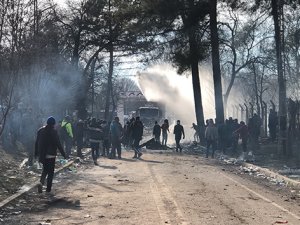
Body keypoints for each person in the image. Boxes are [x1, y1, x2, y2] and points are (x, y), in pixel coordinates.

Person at [35, 116, 66, 193]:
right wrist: (64, 154)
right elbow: (58, 143)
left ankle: (41, 183)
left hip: (42, 154)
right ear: (53, 124)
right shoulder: (54, 131)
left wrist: (36, 153)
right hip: (51, 154)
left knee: (45, 170)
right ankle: (48, 189)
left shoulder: (40, 130)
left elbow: (36, 142)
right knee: (51, 172)